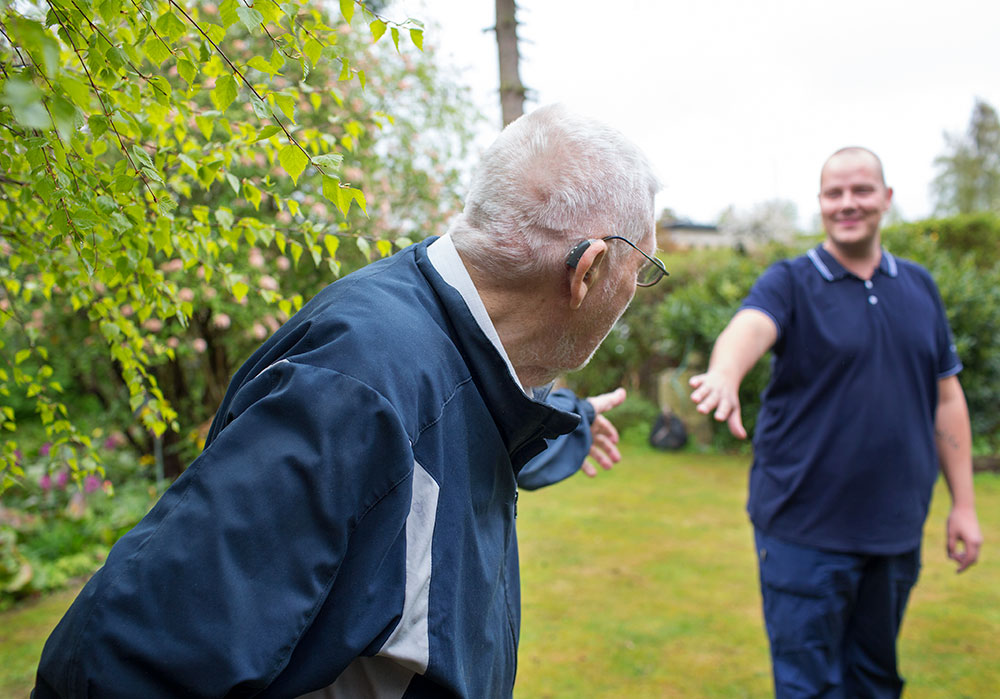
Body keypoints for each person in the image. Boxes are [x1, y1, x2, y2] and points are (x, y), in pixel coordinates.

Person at [33, 104, 664, 698]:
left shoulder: (439, 347)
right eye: (645, 270)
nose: (637, 291)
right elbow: (126, 660)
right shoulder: (355, 388)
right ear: (586, 273)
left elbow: (451, 451)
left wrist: (573, 422)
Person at [689, 146, 982, 698]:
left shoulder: (919, 286)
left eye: (861, 191)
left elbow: (947, 398)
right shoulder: (793, 281)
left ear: (887, 199)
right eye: (834, 193)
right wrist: (724, 373)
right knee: (809, 688)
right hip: (804, 530)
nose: (847, 204)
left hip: (894, 530)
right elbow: (749, 326)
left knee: (876, 681)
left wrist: (963, 505)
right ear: (821, 204)